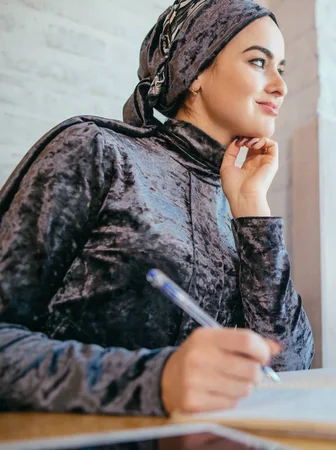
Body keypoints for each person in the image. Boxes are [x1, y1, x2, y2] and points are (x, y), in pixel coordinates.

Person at [0, 0, 314, 417]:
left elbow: (289, 370)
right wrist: (155, 380)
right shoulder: (96, 151)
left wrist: (253, 211)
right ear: (196, 71)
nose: (280, 86)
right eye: (259, 62)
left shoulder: (238, 201)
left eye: (283, 68)